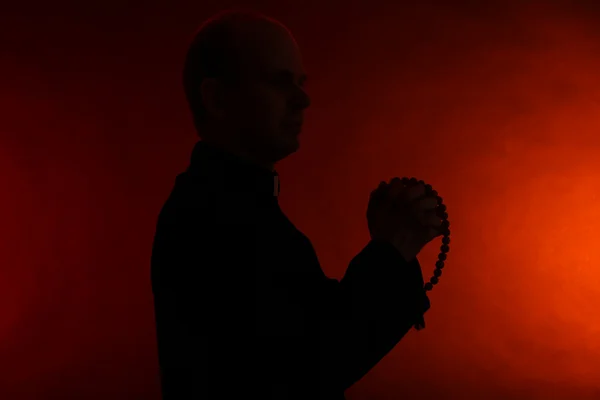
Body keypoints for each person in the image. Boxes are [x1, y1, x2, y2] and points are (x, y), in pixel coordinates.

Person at [150, 9, 443, 400]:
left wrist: (391, 251)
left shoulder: (228, 208)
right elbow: (309, 366)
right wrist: (391, 252)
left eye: (300, 83)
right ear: (217, 98)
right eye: (279, 82)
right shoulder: (210, 219)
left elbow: (311, 333)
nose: (303, 99)